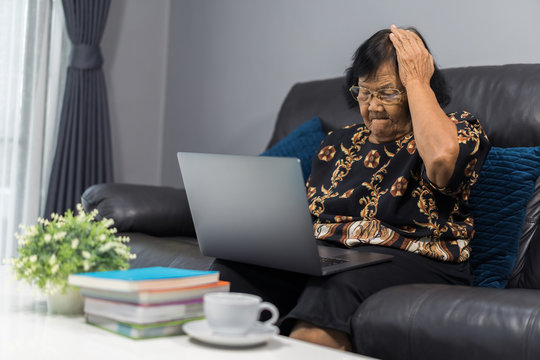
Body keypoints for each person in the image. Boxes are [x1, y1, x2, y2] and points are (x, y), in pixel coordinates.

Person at [211, 25, 490, 352]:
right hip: (333, 254)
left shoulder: (459, 131)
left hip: (416, 254)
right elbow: (311, 216)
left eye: (388, 93)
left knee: (333, 285)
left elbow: (443, 163)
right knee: (233, 271)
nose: (373, 107)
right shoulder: (338, 142)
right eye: (364, 92)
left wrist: (416, 80)